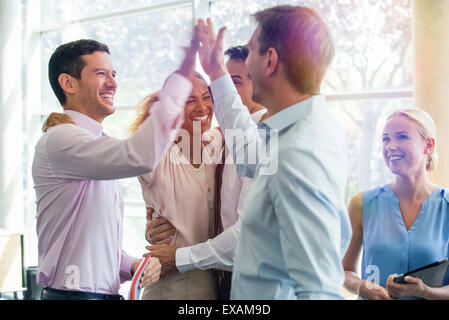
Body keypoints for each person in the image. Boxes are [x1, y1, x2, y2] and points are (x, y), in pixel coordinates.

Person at [195, 5, 352, 300]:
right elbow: (247, 147)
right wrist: (215, 71)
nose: (247, 63)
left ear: (270, 60)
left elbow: (318, 291)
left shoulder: (297, 154)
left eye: (251, 52)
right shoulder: (299, 131)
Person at [32, 36, 199, 300]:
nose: (113, 83)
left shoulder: (97, 145)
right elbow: (139, 157)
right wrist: (179, 84)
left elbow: (92, 242)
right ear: (68, 83)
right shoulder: (59, 139)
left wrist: (131, 265)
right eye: (100, 73)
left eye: (113, 74)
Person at [146, 45, 267, 300]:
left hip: (220, 278)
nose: (204, 106)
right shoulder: (158, 150)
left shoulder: (251, 138)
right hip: (181, 284)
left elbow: (247, 233)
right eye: (219, 85)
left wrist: (180, 256)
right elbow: (116, 158)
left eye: (232, 82)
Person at [131, 73, 224, 300]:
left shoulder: (215, 141)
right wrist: (66, 124)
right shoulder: (155, 155)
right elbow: (108, 154)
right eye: (189, 101)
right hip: (169, 287)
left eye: (206, 97)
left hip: (209, 282)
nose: (202, 107)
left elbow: (252, 116)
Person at [342, 108, 449, 300]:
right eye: (385, 139)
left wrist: (425, 291)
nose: (390, 146)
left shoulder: (446, 206)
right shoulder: (362, 204)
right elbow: (344, 271)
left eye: (402, 137)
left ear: (428, 146)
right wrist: (362, 286)